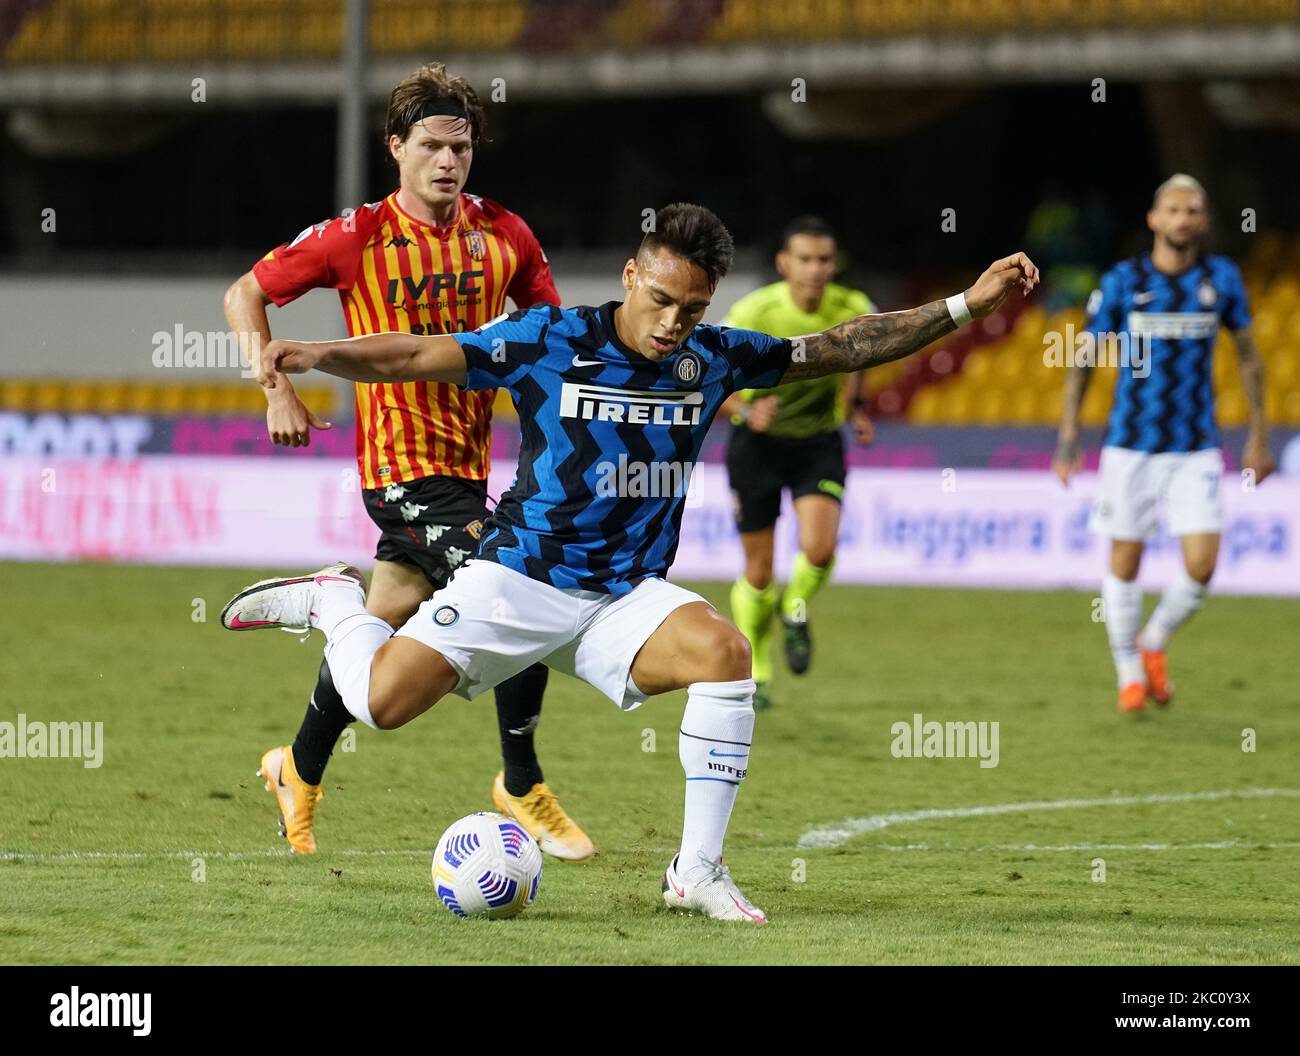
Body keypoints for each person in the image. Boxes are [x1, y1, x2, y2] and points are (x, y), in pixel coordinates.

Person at [222, 202, 1038, 920]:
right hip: (518, 579)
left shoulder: (712, 357)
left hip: (621, 597)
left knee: (725, 655)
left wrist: (966, 305)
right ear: (629, 277)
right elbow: (412, 356)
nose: (673, 323)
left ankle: (697, 872)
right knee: (381, 705)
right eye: (660, 301)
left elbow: (842, 346)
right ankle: (335, 600)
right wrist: (316, 353)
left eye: (692, 308)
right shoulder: (552, 337)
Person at [222, 63, 592, 858]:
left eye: (460, 148)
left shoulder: (506, 236)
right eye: (430, 145)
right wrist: (272, 385)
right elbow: (243, 294)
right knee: (516, 591)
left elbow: (550, 339)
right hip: (399, 472)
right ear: (396, 146)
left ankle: (297, 765)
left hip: (466, 471)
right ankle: (520, 780)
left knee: (378, 625)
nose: (448, 162)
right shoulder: (356, 236)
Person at [1054, 174, 1274, 712]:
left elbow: (1248, 356)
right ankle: (1128, 669)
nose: (1182, 219)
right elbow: (1083, 356)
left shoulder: (1221, 279)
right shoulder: (1124, 281)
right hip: (1131, 442)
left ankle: (1153, 642)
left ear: (1203, 220)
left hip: (1195, 444)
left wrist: (1259, 435)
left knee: (1202, 565)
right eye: (1173, 209)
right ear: (1154, 219)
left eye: (1192, 210)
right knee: (1124, 562)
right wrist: (1068, 433)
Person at [719, 216, 876, 708]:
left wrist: (854, 407)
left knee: (820, 548)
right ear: (784, 264)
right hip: (757, 448)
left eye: (824, 259)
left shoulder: (853, 307)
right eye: (805, 259)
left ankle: (796, 606)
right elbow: (706, 372)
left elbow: (858, 359)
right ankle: (758, 672)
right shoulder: (754, 310)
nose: (815, 269)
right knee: (759, 571)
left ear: (834, 265)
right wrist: (745, 408)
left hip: (817, 444)